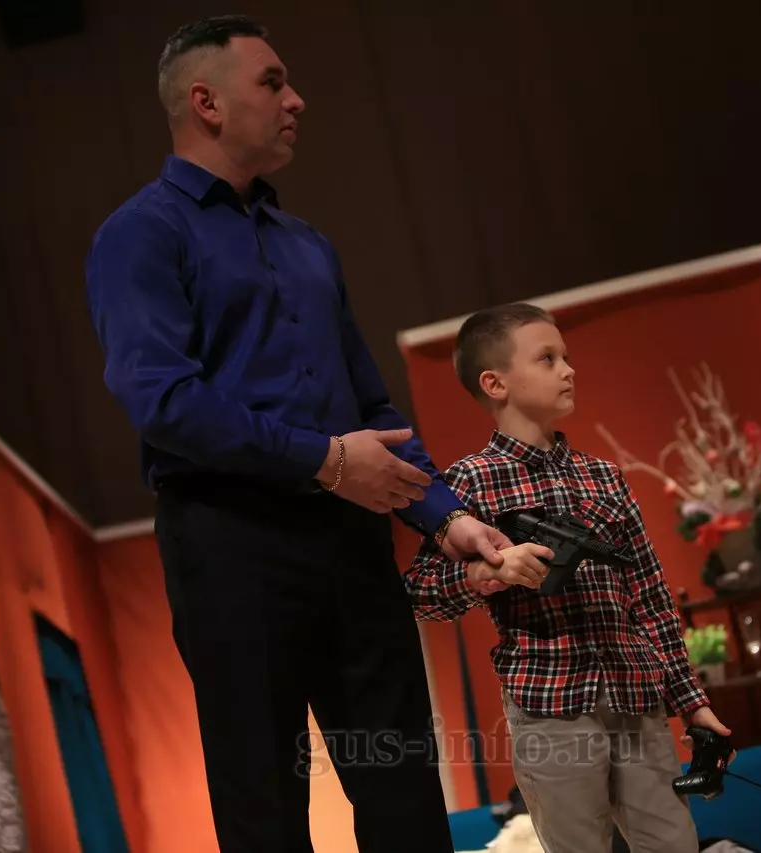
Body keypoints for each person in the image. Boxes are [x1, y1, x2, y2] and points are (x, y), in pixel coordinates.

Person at [83, 15, 512, 853]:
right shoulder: (139, 234)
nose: (297, 100)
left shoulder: (309, 245)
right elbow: (163, 399)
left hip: (350, 542)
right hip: (229, 547)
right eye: (273, 82)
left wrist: (446, 515)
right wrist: (325, 460)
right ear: (206, 102)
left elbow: (371, 406)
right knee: (266, 808)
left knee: (403, 790)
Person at [405, 303, 733, 853]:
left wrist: (691, 701)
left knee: (674, 844)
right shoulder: (470, 483)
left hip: (635, 695)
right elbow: (419, 592)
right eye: (547, 359)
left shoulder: (603, 477)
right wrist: (487, 572)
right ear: (495, 383)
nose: (568, 370)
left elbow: (650, 597)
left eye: (566, 357)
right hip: (549, 703)